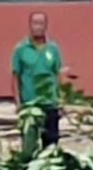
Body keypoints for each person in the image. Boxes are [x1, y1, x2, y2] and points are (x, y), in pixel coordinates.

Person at [11, 8, 65, 149]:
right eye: (35, 23)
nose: (38, 27)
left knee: (51, 146)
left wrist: (61, 100)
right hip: (30, 105)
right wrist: (18, 104)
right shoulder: (20, 49)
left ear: (46, 26)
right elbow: (15, 77)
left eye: (41, 23)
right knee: (29, 147)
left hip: (50, 103)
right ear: (29, 25)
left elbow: (58, 74)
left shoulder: (53, 49)